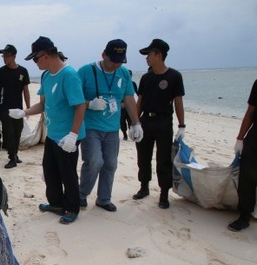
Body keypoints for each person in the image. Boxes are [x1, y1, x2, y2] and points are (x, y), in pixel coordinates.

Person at [9, 36, 86, 224]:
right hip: (52, 133)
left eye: (35, 58)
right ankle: (57, 203)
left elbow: (80, 106)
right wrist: (24, 112)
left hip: (68, 135)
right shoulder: (45, 76)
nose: (35, 63)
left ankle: (72, 208)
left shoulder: (69, 75)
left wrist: (73, 135)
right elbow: (43, 104)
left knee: (67, 172)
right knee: (50, 170)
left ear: (46, 55)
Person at [77, 39, 142, 212]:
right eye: (112, 60)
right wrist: (89, 103)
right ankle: (81, 194)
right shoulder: (85, 71)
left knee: (111, 164)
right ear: (103, 54)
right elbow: (72, 99)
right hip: (90, 126)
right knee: (94, 161)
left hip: (112, 128)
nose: (115, 64)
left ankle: (104, 199)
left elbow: (128, 98)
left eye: (120, 61)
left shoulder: (123, 73)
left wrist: (136, 123)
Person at [227, 50, 257, 246]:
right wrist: (240, 138)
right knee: (247, 180)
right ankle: (244, 217)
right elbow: (250, 113)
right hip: (256, 137)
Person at [133, 38, 185, 209]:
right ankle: (144, 187)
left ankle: (164, 194)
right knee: (143, 156)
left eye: (149, 54)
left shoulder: (174, 76)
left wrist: (181, 126)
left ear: (158, 55)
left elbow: (178, 102)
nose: (146, 57)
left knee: (163, 159)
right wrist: (135, 122)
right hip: (146, 121)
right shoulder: (146, 78)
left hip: (163, 122)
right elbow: (139, 101)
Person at [0, 44, 31, 168]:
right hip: (4, 107)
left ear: (14, 56)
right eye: (3, 55)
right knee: (10, 132)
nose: (4, 58)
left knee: (18, 131)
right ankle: (11, 158)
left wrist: (28, 108)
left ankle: (15, 154)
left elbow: (26, 90)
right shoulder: (0, 72)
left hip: (18, 108)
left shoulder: (22, 71)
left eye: (7, 55)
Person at [120, 70, 138, 140]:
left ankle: (132, 134)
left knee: (130, 121)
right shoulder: (120, 83)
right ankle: (125, 134)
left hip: (130, 106)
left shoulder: (133, 84)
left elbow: (137, 94)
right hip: (122, 106)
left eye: (130, 75)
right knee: (122, 122)